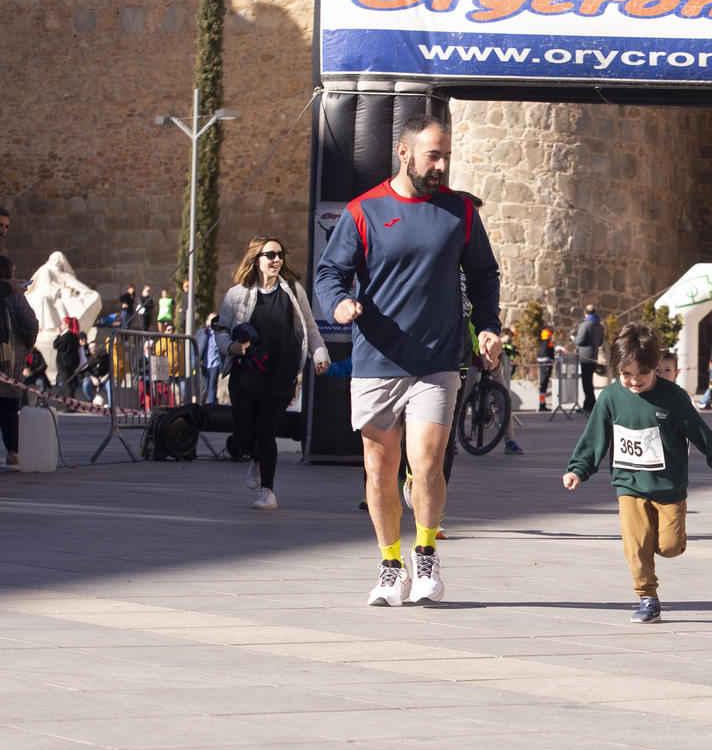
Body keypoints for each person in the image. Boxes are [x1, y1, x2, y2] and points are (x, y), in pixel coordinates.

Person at [314, 114, 501, 608]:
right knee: (379, 470)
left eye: (446, 156)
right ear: (403, 152)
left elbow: (484, 276)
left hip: (436, 362)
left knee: (426, 464)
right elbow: (330, 271)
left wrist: (488, 326)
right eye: (432, 156)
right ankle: (390, 564)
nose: (440, 165)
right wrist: (338, 302)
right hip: (376, 360)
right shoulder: (364, 210)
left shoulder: (459, 212)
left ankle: (426, 554)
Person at [563, 323, 712, 623]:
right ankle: (648, 597)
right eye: (625, 373)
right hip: (629, 483)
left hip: (669, 486)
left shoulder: (673, 397)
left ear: (655, 367)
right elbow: (594, 438)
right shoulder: (610, 399)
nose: (632, 381)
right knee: (636, 543)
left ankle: (667, 541)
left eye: (640, 374)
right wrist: (578, 469)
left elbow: (698, 430)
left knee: (669, 547)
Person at [217, 236, 330, 510]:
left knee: (265, 430)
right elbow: (221, 331)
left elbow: (310, 328)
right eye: (270, 255)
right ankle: (254, 459)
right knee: (243, 437)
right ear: (257, 259)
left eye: (279, 254)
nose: (276, 259)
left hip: (280, 375)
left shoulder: (293, 291)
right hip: (245, 376)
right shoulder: (237, 294)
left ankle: (267, 491)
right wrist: (231, 347)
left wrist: (320, 353)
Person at [0, 255, 38, 470]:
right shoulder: (15, 297)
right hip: (10, 358)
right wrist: (28, 346)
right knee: (7, 405)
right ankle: (13, 452)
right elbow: (30, 323)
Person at [574, 304, 605, 412]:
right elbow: (600, 342)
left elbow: (580, 340)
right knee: (589, 381)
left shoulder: (586, 324)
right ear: (595, 312)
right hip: (594, 356)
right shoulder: (600, 326)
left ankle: (589, 405)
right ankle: (589, 403)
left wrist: (573, 338)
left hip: (585, 357)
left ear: (585, 312)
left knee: (586, 382)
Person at [499, 326, 523, 455]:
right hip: (472, 359)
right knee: (461, 400)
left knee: (504, 401)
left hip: (493, 360)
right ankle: (451, 441)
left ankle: (510, 441)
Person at [52, 316, 85, 400]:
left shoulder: (67, 336)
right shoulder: (73, 335)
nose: (61, 325)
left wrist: (58, 336)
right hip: (69, 363)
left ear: (67, 324)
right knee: (69, 384)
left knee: (67, 385)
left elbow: (56, 344)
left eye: (62, 323)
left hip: (66, 364)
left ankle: (70, 405)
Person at [197, 312, 222, 404]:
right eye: (211, 320)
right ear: (207, 321)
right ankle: (215, 404)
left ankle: (211, 407)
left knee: (212, 386)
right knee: (206, 386)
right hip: (205, 364)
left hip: (215, 364)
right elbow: (196, 346)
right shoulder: (202, 333)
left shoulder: (219, 333)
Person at [80, 338, 111, 406]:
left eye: (94, 347)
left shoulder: (105, 356)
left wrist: (106, 376)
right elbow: (86, 370)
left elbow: (110, 368)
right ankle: (91, 403)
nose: (93, 350)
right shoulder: (88, 358)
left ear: (99, 347)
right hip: (93, 379)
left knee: (110, 385)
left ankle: (111, 406)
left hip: (104, 379)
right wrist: (92, 377)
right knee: (86, 384)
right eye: (91, 348)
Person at [537, 325, 556, 411]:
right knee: (543, 384)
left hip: (545, 362)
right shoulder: (546, 335)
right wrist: (547, 363)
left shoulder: (545, 335)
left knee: (543, 385)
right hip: (545, 363)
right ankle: (542, 405)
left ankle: (542, 404)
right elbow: (544, 351)